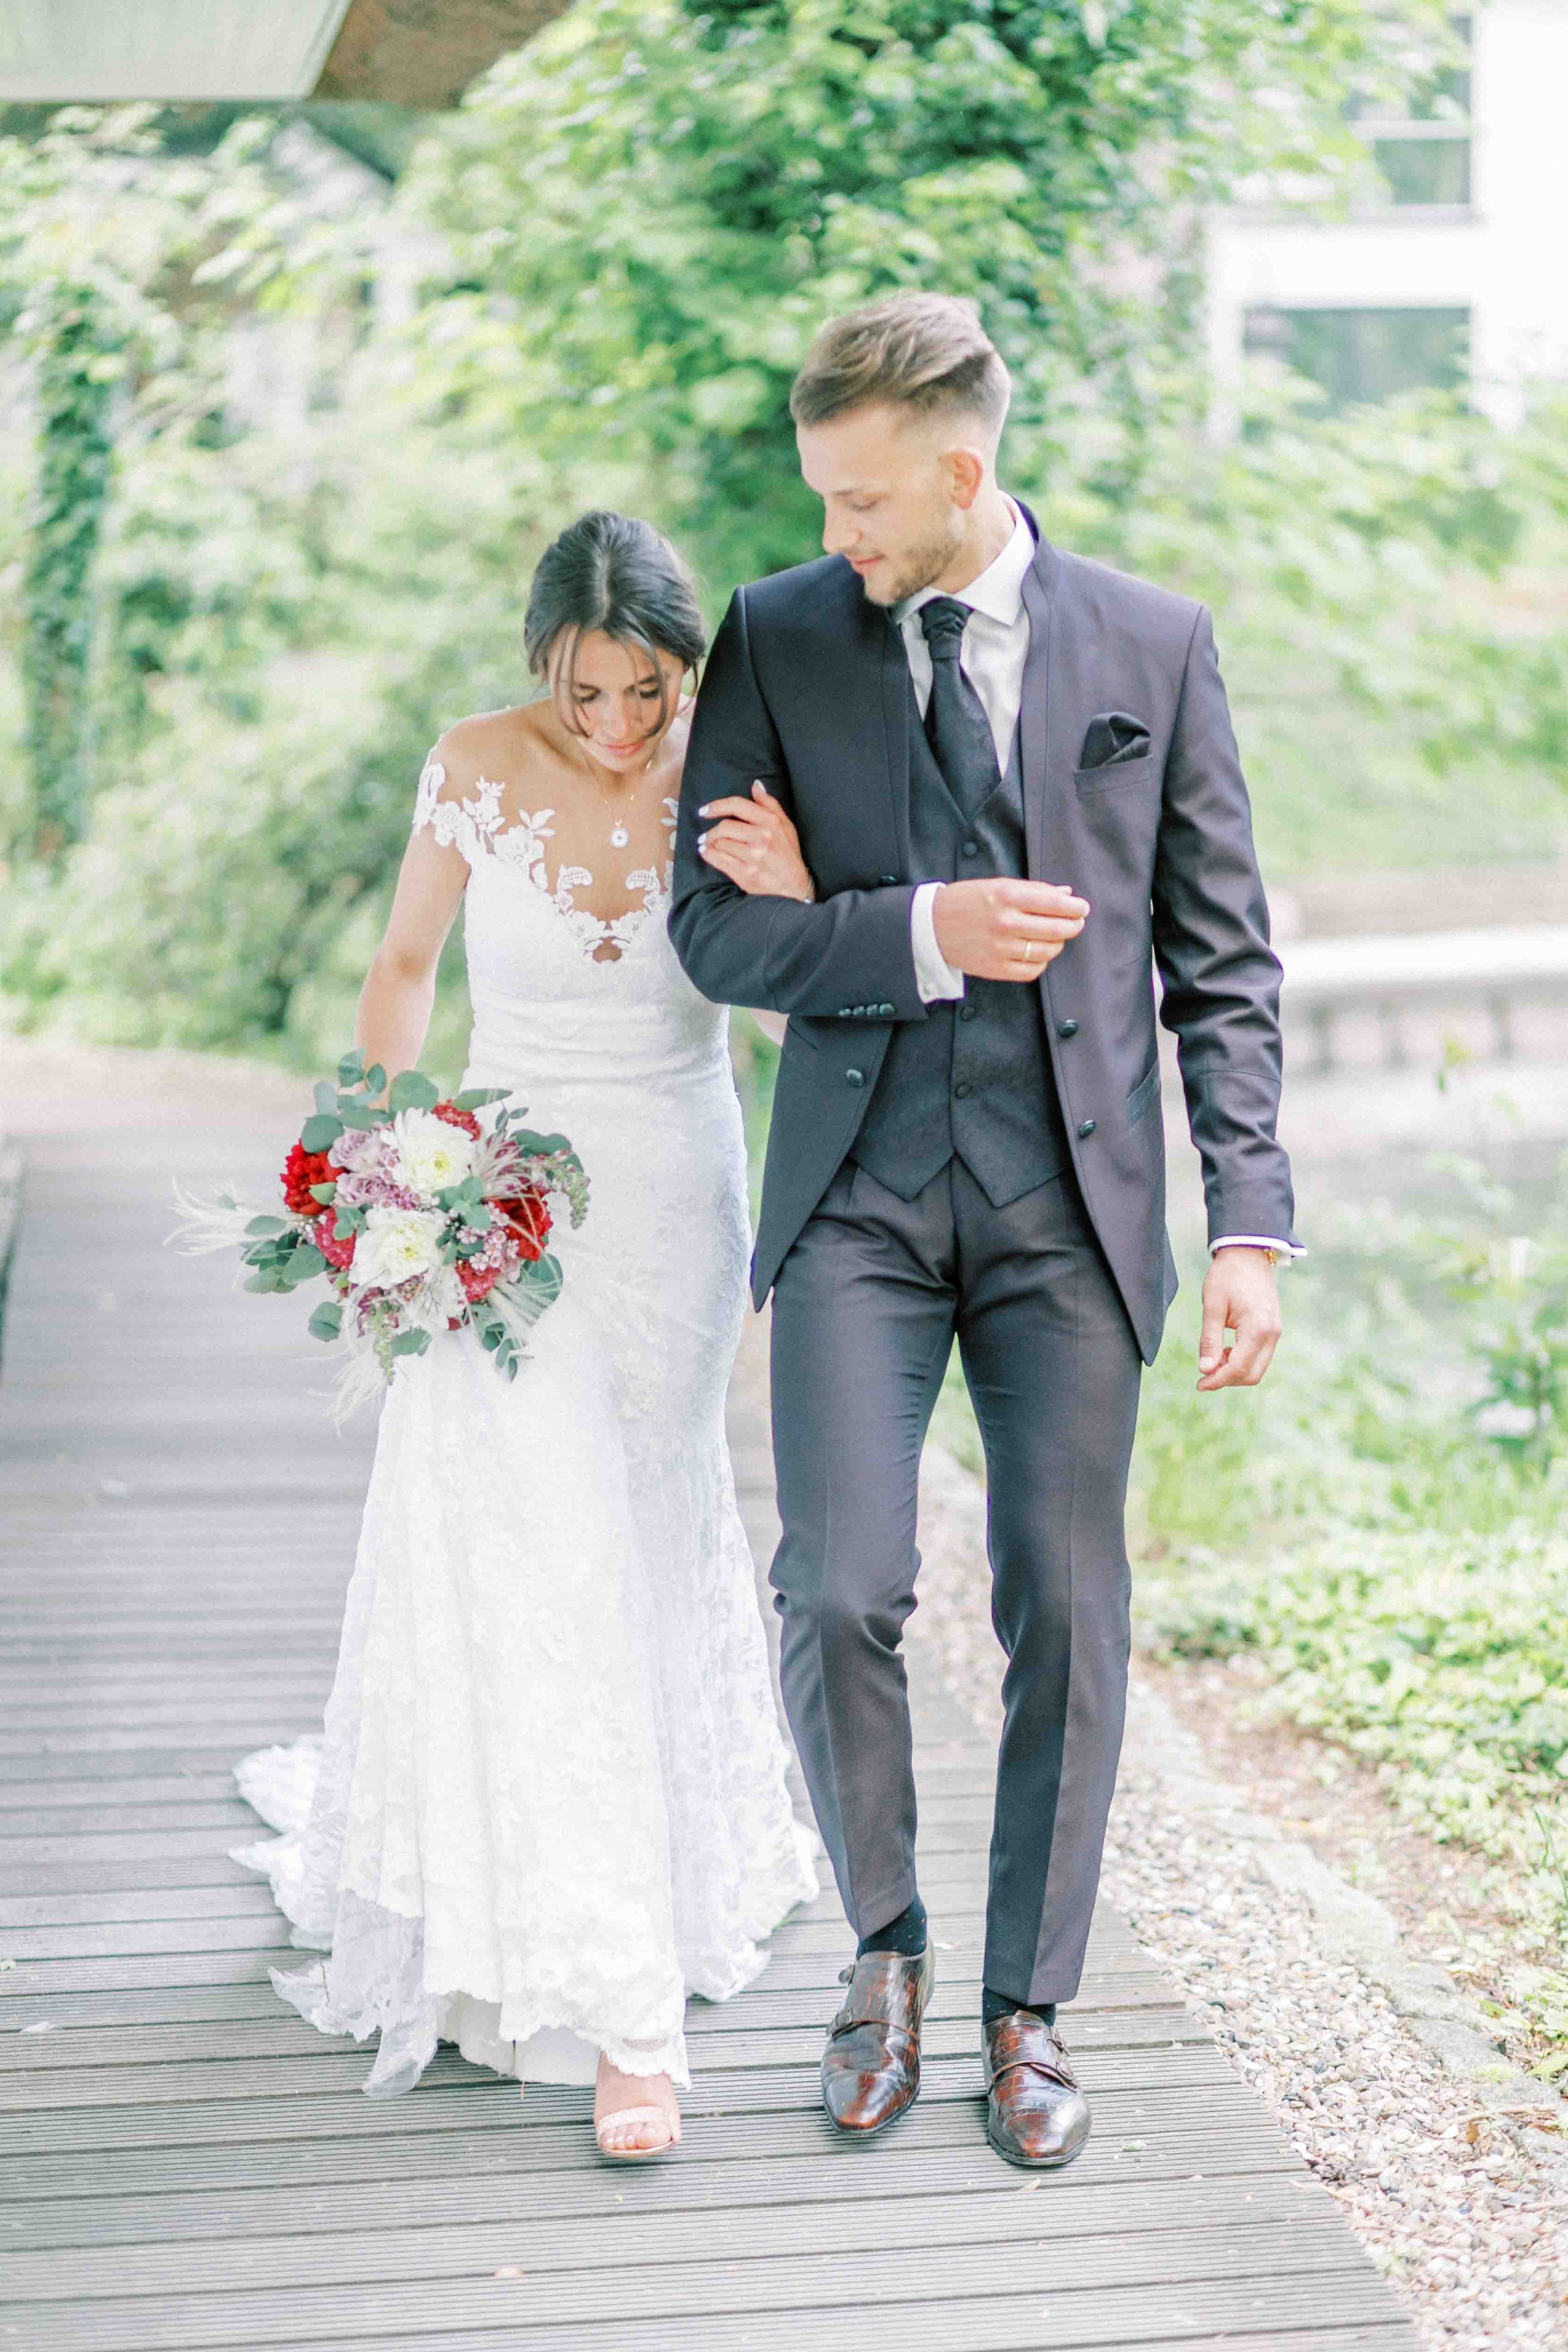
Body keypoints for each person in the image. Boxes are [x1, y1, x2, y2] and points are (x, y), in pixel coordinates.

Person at [669, 292, 1299, 2169]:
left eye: (865, 505)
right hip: (857, 1196)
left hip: (1070, 1210)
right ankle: (885, 1960)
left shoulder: (1152, 644)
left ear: (962, 470)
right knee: (839, 1586)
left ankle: (1031, 2003)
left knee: (1067, 1605)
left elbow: (1224, 961)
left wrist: (1250, 1220)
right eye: (824, 506)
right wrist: (911, 927)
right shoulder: (780, 637)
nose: (838, 539)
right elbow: (713, 935)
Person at [233, 510, 817, 2162]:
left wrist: (800, 890)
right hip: (502, 1203)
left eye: (647, 690)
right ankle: (625, 2017)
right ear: (535, 669)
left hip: (679, 1206)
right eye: (583, 694)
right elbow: (408, 965)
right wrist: (376, 1161)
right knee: (542, 1548)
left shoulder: (743, 767)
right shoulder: (474, 766)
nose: (618, 725)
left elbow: (787, 1009)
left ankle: (639, 1873)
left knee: (641, 1525)